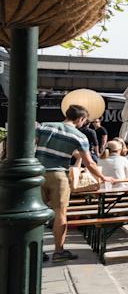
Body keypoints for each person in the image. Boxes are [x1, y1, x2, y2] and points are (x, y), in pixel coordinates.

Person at [36, 105, 114, 260]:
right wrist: (103, 177)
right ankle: (59, 251)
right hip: (58, 175)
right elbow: (90, 163)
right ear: (81, 119)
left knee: (37, 214)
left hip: (37, 173)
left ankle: (37, 250)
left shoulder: (45, 126)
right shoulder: (79, 136)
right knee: (60, 214)